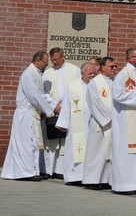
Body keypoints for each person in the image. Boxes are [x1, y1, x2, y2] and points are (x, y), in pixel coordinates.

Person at [1, 51, 58, 181]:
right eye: (45, 62)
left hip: (33, 113)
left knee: (33, 143)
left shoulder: (36, 74)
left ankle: (33, 170)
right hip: (25, 114)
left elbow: (41, 94)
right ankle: (25, 172)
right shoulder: (28, 74)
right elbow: (34, 96)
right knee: (26, 143)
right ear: (37, 61)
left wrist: (44, 111)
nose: (46, 65)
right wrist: (50, 110)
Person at [111, 48, 136, 193]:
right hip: (127, 121)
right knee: (126, 152)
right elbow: (117, 95)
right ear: (130, 58)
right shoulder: (123, 75)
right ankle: (124, 184)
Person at [55, 62, 97, 185]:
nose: (93, 75)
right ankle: (73, 177)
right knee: (74, 149)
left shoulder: (97, 85)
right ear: (82, 73)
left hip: (93, 124)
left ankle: (89, 177)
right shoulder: (73, 86)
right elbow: (67, 105)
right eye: (90, 73)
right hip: (77, 125)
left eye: (94, 73)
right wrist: (63, 123)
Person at [42, 47, 81, 179]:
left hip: (68, 107)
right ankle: (49, 169)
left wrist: (64, 106)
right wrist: (54, 106)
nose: (54, 62)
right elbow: (44, 92)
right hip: (53, 109)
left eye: (56, 59)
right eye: (52, 60)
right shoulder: (48, 73)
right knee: (52, 140)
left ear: (63, 57)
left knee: (64, 141)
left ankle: (61, 170)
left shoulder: (74, 70)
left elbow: (77, 89)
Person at [83, 56, 117, 190]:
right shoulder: (94, 82)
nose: (114, 69)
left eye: (115, 67)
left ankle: (105, 179)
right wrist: (111, 117)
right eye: (112, 67)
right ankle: (92, 180)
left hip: (113, 124)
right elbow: (95, 103)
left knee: (109, 153)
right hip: (99, 123)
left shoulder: (116, 81)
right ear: (103, 68)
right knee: (96, 152)